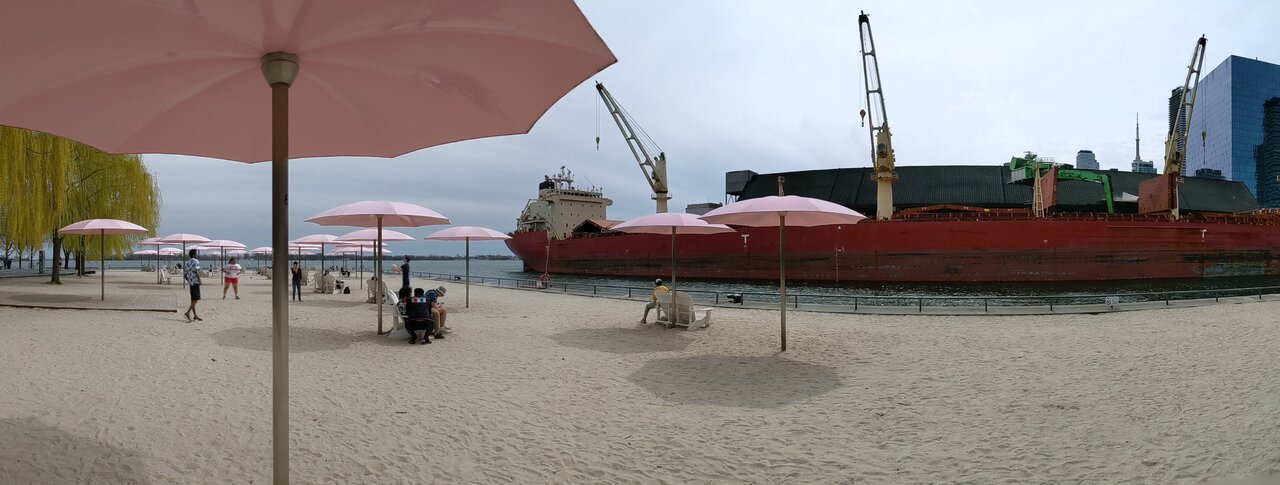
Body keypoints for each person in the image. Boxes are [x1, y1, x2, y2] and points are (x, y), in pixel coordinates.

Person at [183, 249, 203, 322]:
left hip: (191, 282)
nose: (197, 255)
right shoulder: (196, 261)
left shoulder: (187, 262)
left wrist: (189, 280)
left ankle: (195, 315)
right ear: (194, 254)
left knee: (193, 299)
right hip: (195, 282)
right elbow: (196, 271)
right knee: (196, 299)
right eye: (196, 253)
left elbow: (185, 275)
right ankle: (187, 312)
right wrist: (200, 280)